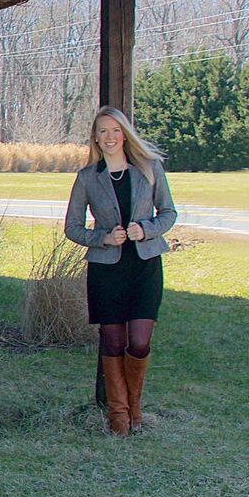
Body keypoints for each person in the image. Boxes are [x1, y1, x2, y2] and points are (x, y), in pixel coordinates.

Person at [64, 106, 177, 437]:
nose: (110, 136)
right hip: (106, 271)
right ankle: (119, 418)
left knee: (139, 342)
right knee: (112, 342)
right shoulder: (88, 177)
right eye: (103, 131)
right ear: (96, 138)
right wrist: (103, 237)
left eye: (115, 130)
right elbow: (72, 227)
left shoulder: (149, 168)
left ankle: (135, 409)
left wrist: (147, 229)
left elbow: (169, 212)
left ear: (125, 134)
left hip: (144, 266)